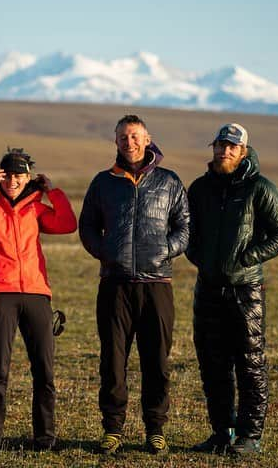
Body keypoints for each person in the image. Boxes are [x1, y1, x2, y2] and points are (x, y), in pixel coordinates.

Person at [79, 115, 189, 455]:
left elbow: (184, 227)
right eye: (123, 137)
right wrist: (107, 255)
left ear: (147, 139)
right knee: (113, 360)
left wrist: (163, 252)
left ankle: (155, 429)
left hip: (157, 285)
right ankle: (112, 429)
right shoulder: (103, 182)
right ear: (115, 141)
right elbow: (87, 227)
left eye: (135, 136)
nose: (130, 142)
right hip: (115, 285)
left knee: (156, 360)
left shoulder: (169, 181)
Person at [0, 148, 77, 456]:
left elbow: (67, 223)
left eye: (20, 175)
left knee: (44, 371)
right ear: (0, 175)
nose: (14, 181)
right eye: (8, 175)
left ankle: (44, 438)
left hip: (37, 294)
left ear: (29, 177)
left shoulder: (36, 208)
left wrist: (53, 191)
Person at [186, 123, 278, 456]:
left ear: (244, 151)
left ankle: (250, 436)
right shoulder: (201, 188)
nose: (224, 151)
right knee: (212, 363)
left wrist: (247, 258)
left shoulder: (260, 188)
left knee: (250, 364)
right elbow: (187, 231)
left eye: (231, 146)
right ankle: (222, 432)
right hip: (208, 288)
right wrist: (200, 258)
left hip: (246, 290)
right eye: (219, 145)